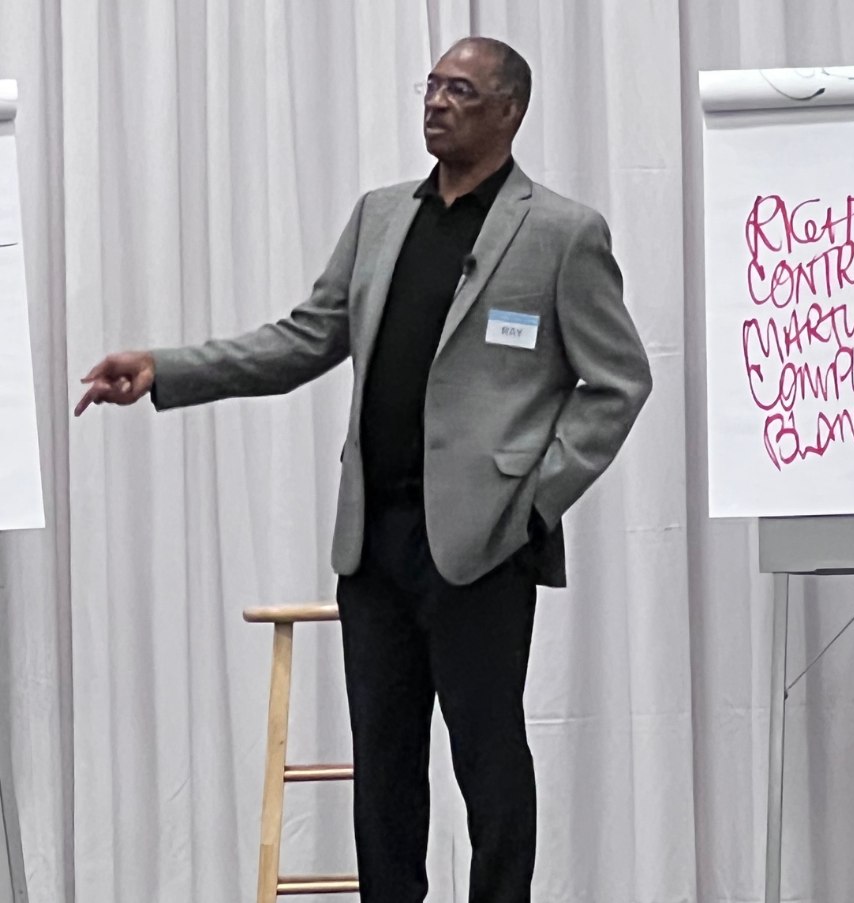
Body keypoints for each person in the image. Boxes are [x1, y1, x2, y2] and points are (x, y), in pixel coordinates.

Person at [75, 36, 652, 903]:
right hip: (373, 543)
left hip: (483, 545)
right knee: (382, 761)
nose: (436, 102)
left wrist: (530, 502)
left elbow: (616, 382)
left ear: (509, 111)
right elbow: (304, 337)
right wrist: (167, 368)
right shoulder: (382, 216)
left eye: (460, 89)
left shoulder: (561, 232)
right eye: (431, 85)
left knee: (487, 757)